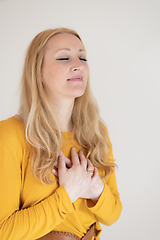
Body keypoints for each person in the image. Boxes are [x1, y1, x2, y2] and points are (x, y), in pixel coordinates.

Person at [0, 28, 122, 240]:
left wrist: (95, 190)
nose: (79, 65)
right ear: (37, 72)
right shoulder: (10, 135)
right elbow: (4, 231)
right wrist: (68, 194)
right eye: (64, 57)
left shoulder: (96, 133)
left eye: (82, 57)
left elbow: (113, 214)